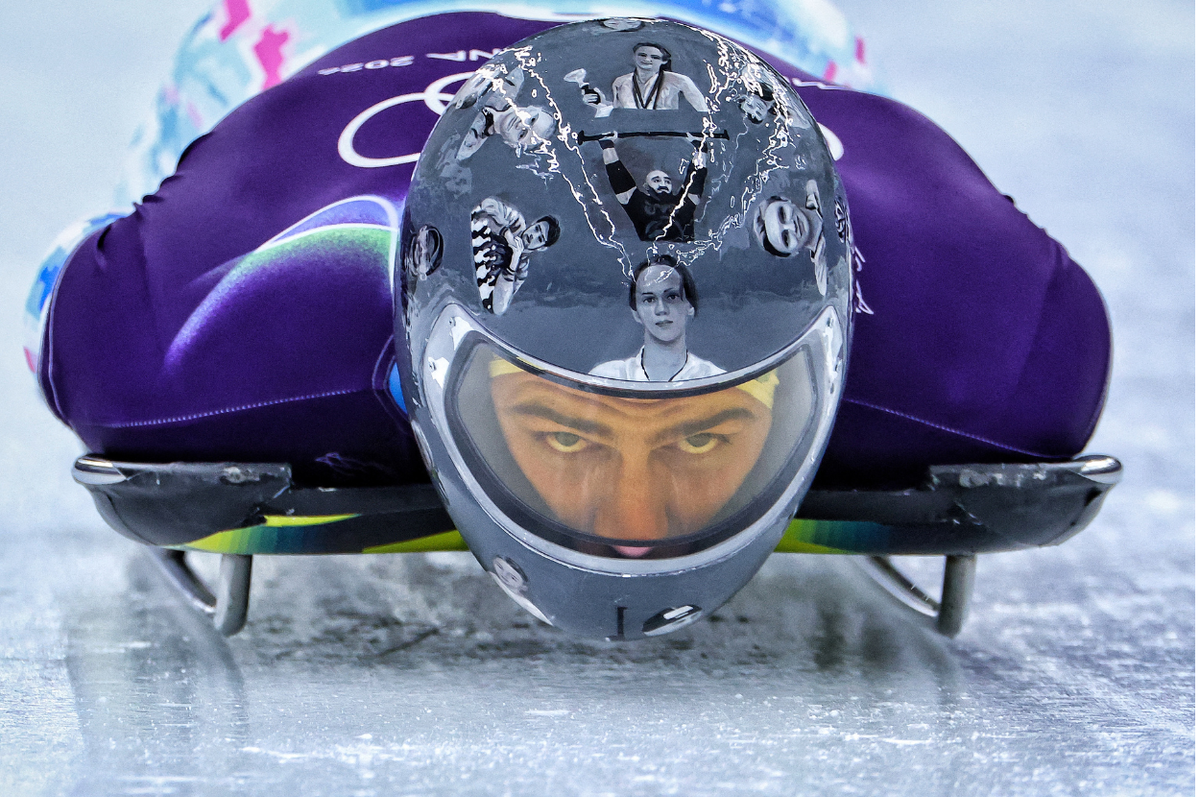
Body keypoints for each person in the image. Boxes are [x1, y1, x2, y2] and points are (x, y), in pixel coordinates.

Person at [26, 9, 1111, 639]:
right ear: (428, 349)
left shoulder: (168, 353)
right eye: (563, 428)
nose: (632, 528)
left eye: (703, 431)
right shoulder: (219, 317)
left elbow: (56, 281)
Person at [591, 256, 723, 381]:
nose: (661, 309)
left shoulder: (715, 379)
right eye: (649, 300)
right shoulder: (607, 378)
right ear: (636, 312)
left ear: (690, 306)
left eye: (671, 297)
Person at [598, 134, 707, 241]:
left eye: (667, 181)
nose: (663, 184)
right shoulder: (637, 202)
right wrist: (607, 146)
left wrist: (700, 148)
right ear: (646, 186)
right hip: (652, 249)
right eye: (656, 181)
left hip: (683, 248)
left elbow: (696, 177)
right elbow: (617, 174)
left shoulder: (682, 201)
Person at [471, 197, 560, 314]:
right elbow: (487, 204)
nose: (532, 236)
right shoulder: (516, 221)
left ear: (542, 248)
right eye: (536, 229)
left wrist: (513, 262)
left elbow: (498, 307)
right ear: (534, 223)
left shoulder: (521, 270)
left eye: (539, 239)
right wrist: (506, 233)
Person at [611, 43, 708, 111]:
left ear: (664, 61)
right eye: (642, 55)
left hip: (668, 135)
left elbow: (702, 110)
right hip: (630, 135)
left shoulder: (680, 80)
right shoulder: (620, 82)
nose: (647, 59)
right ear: (634, 57)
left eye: (655, 57)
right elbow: (617, 112)